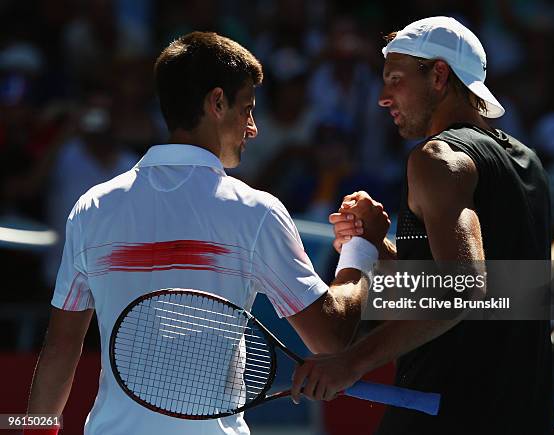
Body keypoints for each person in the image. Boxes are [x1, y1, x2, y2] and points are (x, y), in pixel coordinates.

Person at [27, 32, 387, 435]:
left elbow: (59, 350)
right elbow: (332, 338)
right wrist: (361, 249)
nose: (252, 128)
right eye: (247, 109)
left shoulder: (92, 208)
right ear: (217, 103)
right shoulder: (255, 213)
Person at [291, 17, 554, 434]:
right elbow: (495, 297)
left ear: (438, 74)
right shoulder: (528, 163)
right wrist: (379, 246)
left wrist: (349, 363)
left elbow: (463, 289)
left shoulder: (435, 159)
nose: (382, 97)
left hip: (446, 417)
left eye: (395, 80)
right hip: (523, 416)